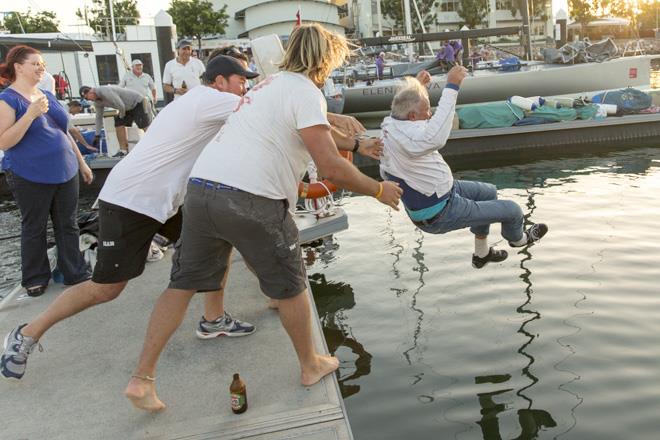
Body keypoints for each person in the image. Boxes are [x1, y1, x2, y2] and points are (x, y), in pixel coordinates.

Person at [124, 23, 403, 412]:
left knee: (182, 284)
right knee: (291, 284)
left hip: (203, 190)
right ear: (325, 60)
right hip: (251, 198)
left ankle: (142, 379)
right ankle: (310, 364)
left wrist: (357, 142)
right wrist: (378, 190)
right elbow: (331, 167)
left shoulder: (268, 85)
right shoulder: (306, 91)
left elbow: (308, 133)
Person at [0, 55, 260, 382]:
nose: (245, 87)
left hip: (167, 200)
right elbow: (265, 109)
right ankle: (26, 333)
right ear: (220, 82)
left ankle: (213, 318)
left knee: (218, 238)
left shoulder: (201, 101)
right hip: (131, 202)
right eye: (241, 81)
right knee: (106, 289)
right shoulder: (212, 99)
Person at [380, 67, 548, 269]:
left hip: (443, 191)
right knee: (513, 211)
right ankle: (519, 240)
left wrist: (419, 86)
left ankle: (481, 254)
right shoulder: (414, 138)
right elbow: (437, 135)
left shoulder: (392, 122)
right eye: (427, 111)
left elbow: (402, 103)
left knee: (488, 192)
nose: (431, 113)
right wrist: (452, 86)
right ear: (413, 117)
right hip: (439, 213)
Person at [0, 45, 93, 299]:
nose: (41, 68)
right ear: (18, 67)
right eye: (35, 64)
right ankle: (35, 278)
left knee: (68, 224)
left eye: (42, 64)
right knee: (34, 226)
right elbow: (4, 141)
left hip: (66, 169)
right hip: (29, 173)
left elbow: (62, 131)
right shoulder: (8, 99)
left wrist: (81, 162)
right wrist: (29, 115)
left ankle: (75, 271)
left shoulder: (46, 95)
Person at [79, 84, 152, 157]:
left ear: (91, 91)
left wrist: (122, 116)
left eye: (87, 98)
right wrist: (97, 135)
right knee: (118, 124)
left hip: (137, 102)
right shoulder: (97, 103)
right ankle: (123, 151)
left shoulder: (105, 91)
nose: (88, 100)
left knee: (144, 125)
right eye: (86, 99)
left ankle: (154, 144)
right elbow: (98, 118)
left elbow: (120, 105)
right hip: (126, 107)